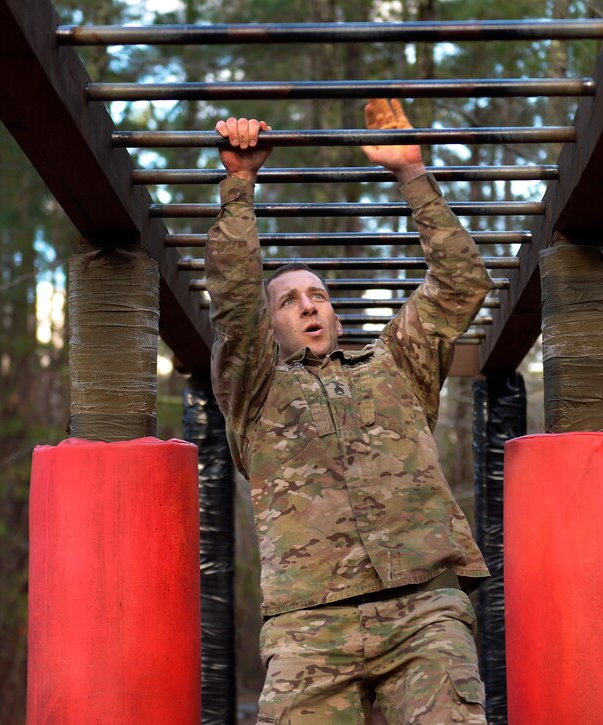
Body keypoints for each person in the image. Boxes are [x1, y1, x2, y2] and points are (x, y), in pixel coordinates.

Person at [206, 99, 491, 724]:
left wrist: (410, 173)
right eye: (288, 301)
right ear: (271, 325)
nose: (307, 306)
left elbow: (461, 284)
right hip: (309, 626)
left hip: (423, 613)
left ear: (335, 314)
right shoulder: (255, 391)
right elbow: (231, 303)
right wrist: (239, 184)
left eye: (318, 296)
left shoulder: (396, 365)